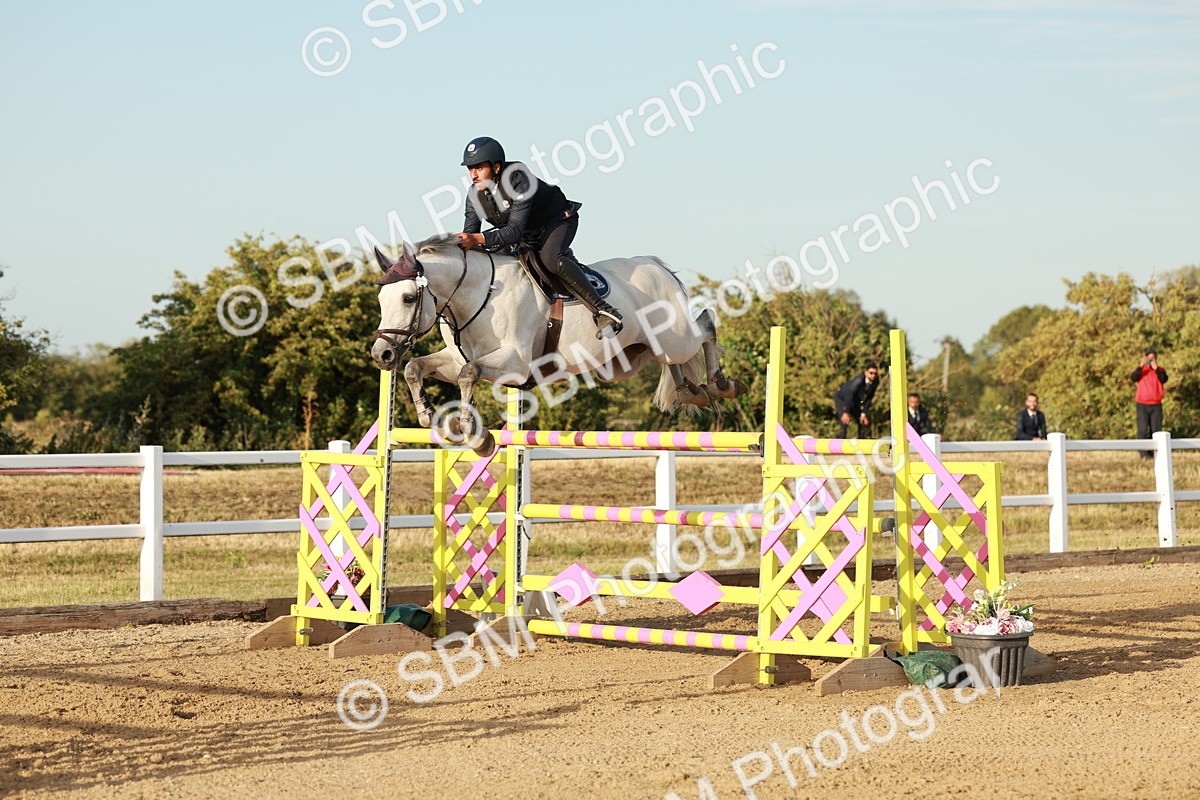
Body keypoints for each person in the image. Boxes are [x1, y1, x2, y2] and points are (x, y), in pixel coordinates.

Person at [378, 136, 622, 339]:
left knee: (549, 258)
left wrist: (477, 239)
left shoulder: (518, 179)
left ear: (496, 168)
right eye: (470, 169)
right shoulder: (475, 194)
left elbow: (512, 232)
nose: (473, 174)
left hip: (558, 220)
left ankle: (603, 311)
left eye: (479, 168)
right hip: (526, 233)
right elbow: (471, 236)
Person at [1131, 348, 1169, 459]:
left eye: (1153, 358)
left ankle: (1154, 452)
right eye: (1149, 358)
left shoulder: (1160, 370)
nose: (1150, 361)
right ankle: (1143, 453)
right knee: (1142, 429)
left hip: (1156, 404)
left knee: (1156, 429)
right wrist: (1141, 366)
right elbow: (1133, 377)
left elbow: (1164, 379)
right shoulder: (1141, 371)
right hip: (1142, 404)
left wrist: (1155, 368)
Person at [834, 365, 879, 439]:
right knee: (845, 420)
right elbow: (849, 395)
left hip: (855, 400)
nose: (873, 375)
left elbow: (869, 398)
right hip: (843, 398)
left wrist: (864, 413)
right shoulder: (858, 381)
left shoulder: (875, 381)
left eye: (875, 373)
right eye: (871, 373)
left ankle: (862, 441)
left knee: (862, 421)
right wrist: (846, 411)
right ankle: (841, 440)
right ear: (866, 372)